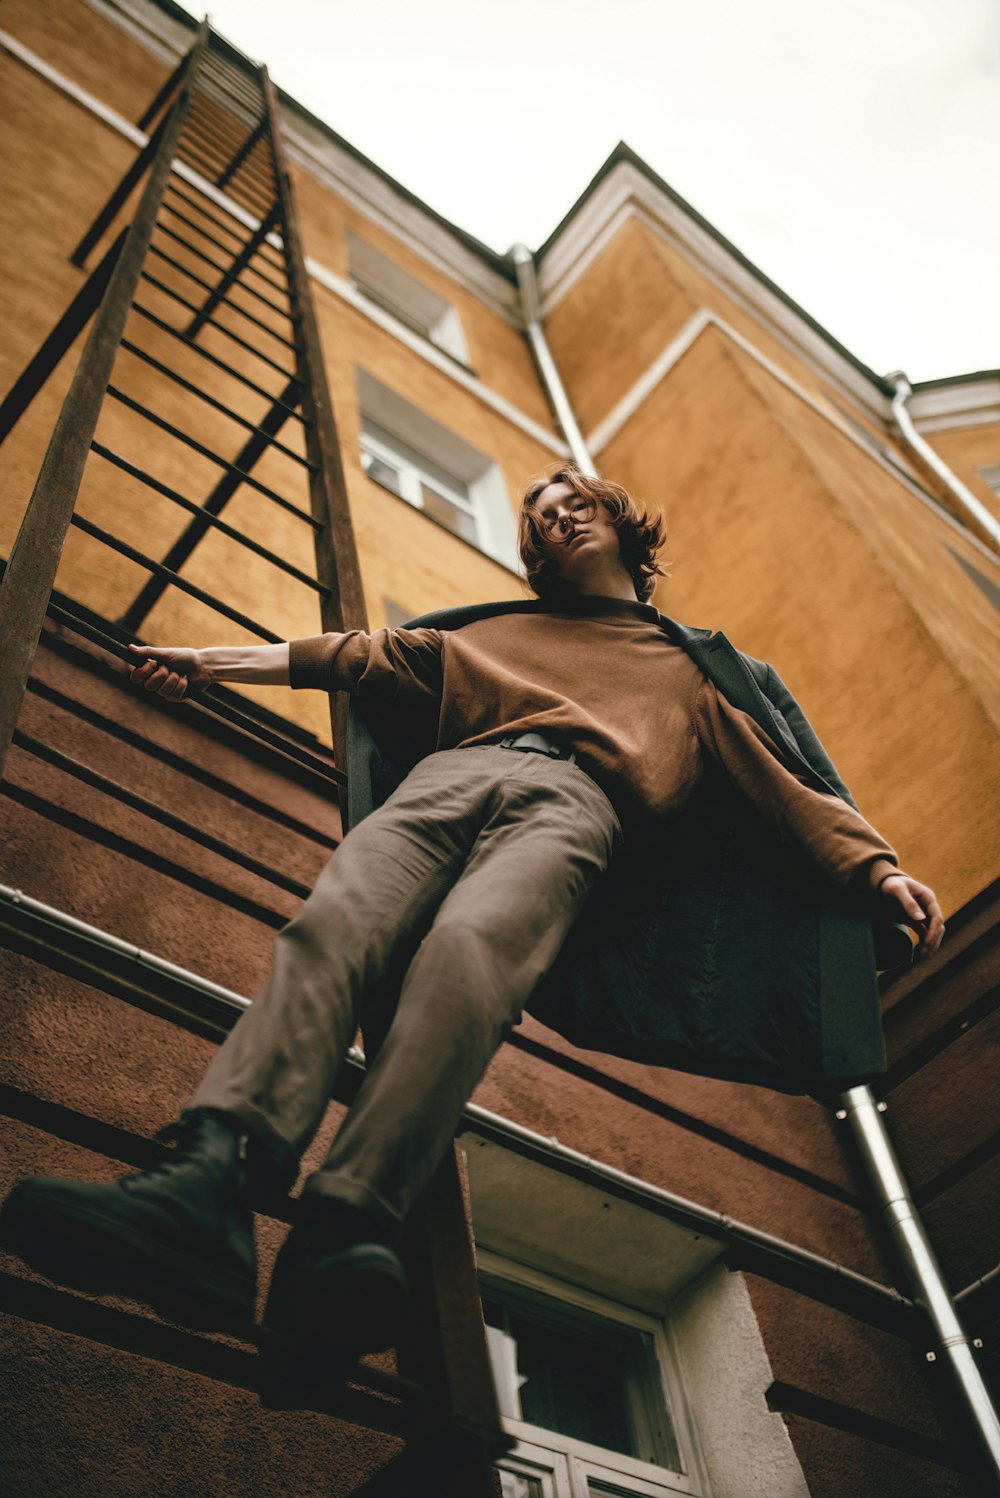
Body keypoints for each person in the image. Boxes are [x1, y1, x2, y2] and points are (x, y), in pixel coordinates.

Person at [1, 465, 944, 1373]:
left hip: (579, 808)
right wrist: (210, 664)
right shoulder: (499, 633)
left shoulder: (695, 670)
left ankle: (346, 1225)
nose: (555, 518)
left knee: (468, 959)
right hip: (448, 780)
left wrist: (875, 873)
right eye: (537, 516)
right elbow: (362, 655)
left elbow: (787, 786)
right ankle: (205, 1188)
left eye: (574, 502)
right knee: (332, 930)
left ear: (620, 523)